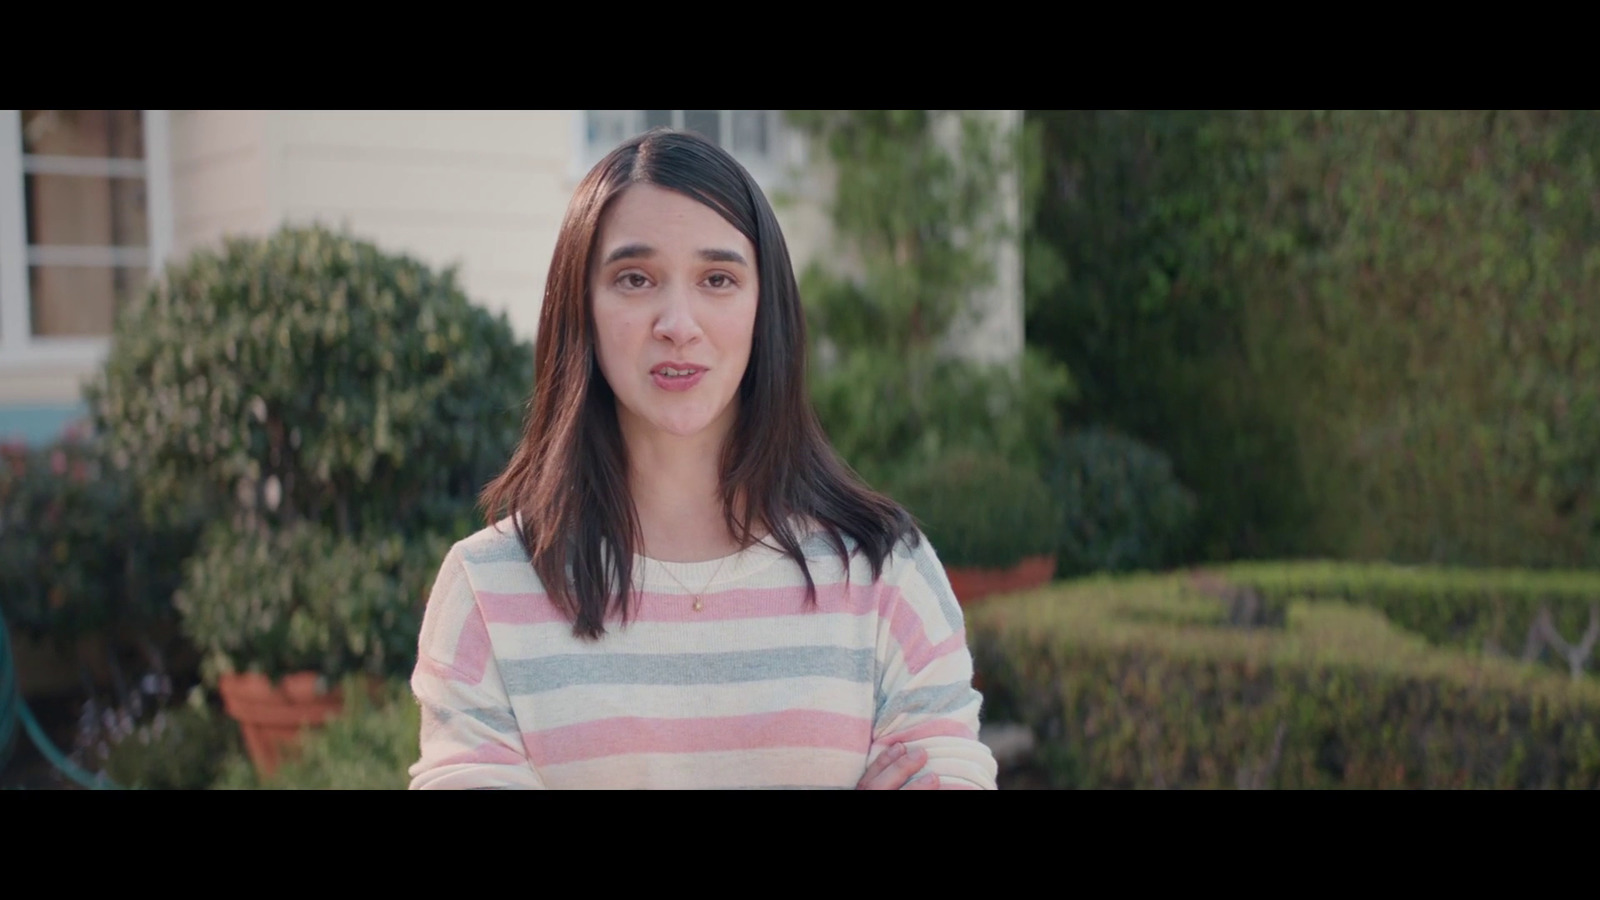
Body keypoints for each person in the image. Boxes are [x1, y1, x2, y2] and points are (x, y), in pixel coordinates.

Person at [407, 127, 999, 790]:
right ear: (582, 308)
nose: (678, 322)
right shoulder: (489, 593)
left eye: (717, 278)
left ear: (763, 306)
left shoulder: (886, 575)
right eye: (635, 279)